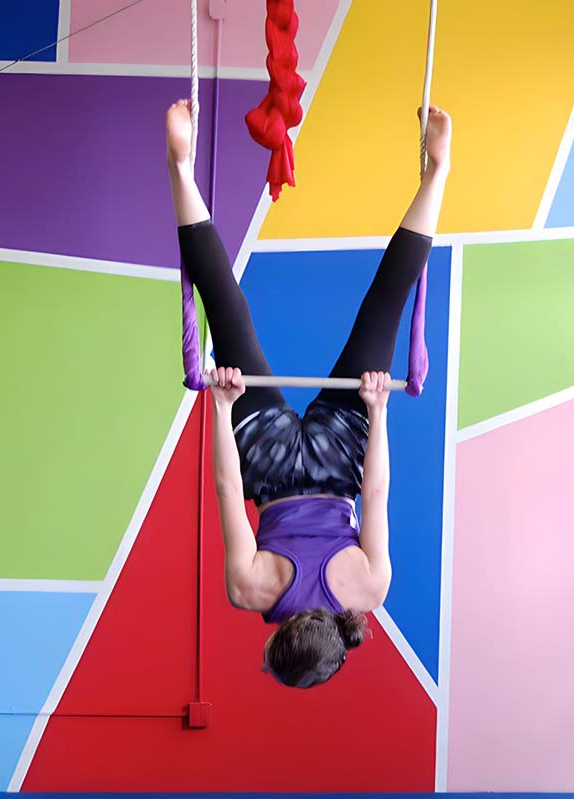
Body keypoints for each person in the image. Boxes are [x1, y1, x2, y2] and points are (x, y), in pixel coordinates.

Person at [165, 98, 451, 688]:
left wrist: (376, 410)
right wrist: (220, 408)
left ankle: (438, 173)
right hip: (269, 466)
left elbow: (375, 489)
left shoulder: (368, 590)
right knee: (228, 311)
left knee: (383, 308)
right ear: (279, 640)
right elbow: (226, 486)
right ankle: (181, 168)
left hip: (336, 455)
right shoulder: (249, 591)